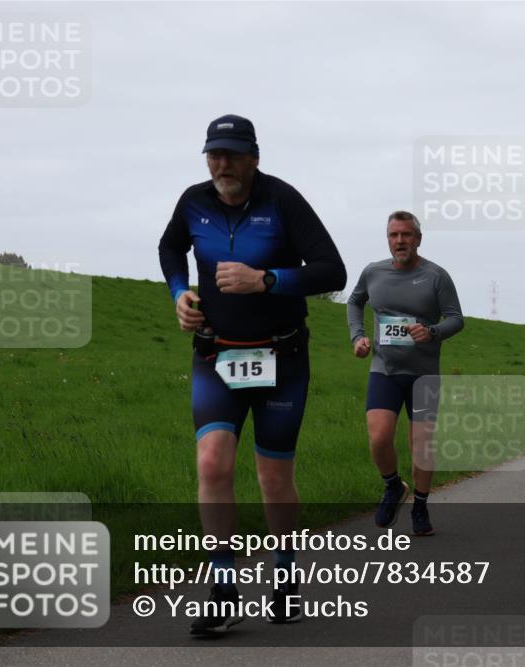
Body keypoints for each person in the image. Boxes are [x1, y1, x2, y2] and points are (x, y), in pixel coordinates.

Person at [159, 115, 347, 633]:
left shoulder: (283, 200)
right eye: (213, 155)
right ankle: (223, 588)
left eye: (231, 154)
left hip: (282, 360)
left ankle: (285, 578)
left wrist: (266, 279)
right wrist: (180, 293)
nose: (221, 164)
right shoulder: (193, 201)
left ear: (254, 157)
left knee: (273, 475)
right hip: (215, 356)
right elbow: (170, 248)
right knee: (213, 463)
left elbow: (333, 271)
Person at [347, 211, 464, 536]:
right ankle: (393, 486)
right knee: (379, 437)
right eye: (394, 235)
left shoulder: (436, 276)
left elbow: (456, 318)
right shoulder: (373, 272)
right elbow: (354, 302)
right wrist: (357, 337)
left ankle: (421, 506)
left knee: (422, 445)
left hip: (423, 375)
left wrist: (432, 331)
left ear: (418, 238)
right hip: (384, 369)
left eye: (406, 235)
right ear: (388, 238)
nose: (400, 241)